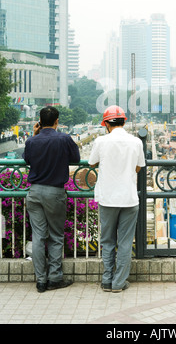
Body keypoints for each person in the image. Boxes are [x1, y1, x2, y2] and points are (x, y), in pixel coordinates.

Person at [23, 106, 80, 293]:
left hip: (34, 192)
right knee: (55, 236)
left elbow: (27, 159)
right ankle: (55, 278)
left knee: (38, 236)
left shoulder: (32, 140)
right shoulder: (63, 138)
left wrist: (34, 134)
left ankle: (40, 281)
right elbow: (76, 158)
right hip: (54, 192)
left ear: (39, 121)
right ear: (57, 121)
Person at [89, 105, 145, 293]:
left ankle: (106, 280)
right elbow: (139, 167)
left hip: (107, 199)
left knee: (107, 241)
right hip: (129, 199)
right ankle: (119, 283)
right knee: (125, 242)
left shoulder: (100, 141)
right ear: (124, 121)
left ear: (106, 123)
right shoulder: (136, 142)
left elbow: (92, 162)